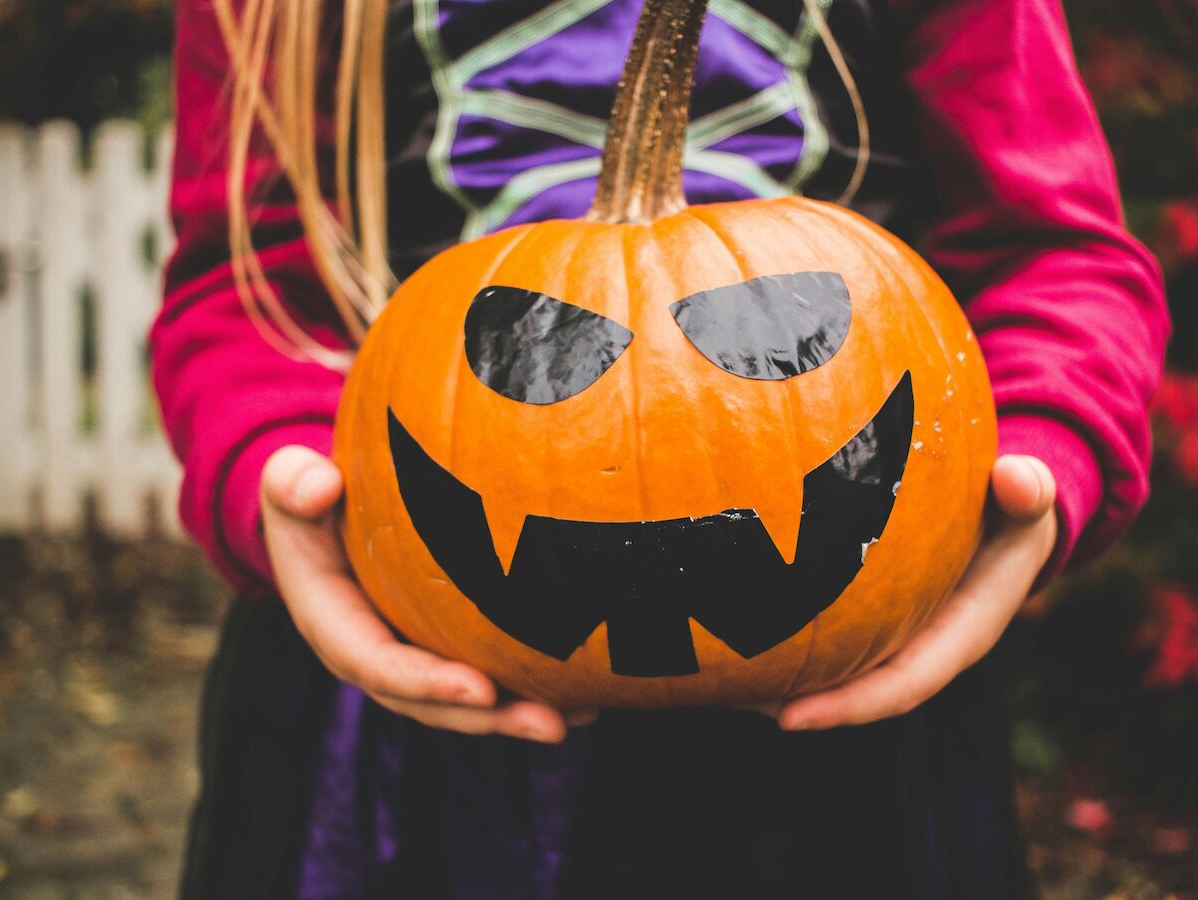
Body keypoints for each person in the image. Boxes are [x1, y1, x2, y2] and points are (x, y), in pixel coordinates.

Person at [154, 0, 1168, 896]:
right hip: (403, 687)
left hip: (855, 679)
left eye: (772, 334)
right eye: (534, 351)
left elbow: (1055, 252)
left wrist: (1041, 453)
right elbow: (243, 288)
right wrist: (276, 477)